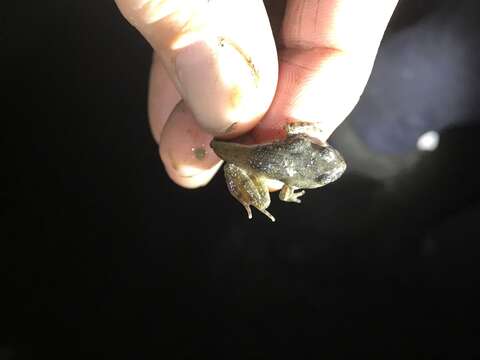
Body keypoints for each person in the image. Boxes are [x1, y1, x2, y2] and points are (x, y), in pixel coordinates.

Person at [114, 0, 398, 188]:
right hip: (246, 152)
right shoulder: (292, 174)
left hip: (252, 153)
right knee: (254, 186)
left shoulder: (299, 141)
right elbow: (286, 192)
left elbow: (290, 127)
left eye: (322, 172)